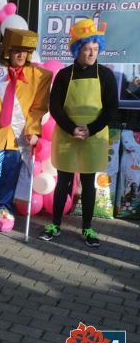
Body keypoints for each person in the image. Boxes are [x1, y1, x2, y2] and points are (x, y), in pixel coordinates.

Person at [39, 18, 118, 247]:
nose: (92, 53)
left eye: (95, 48)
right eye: (86, 48)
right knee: (63, 181)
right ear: (77, 49)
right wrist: (71, 127)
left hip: (93, 138)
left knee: (87, 182)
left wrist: (90, 129)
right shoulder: (64, 75)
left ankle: (87, 228)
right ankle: (55, 224)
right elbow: (55, 107)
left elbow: (111, 109)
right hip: (67, 135)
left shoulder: (105, 75)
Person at [0, 29, 52, 235]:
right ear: (7, 51)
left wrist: (33, 130)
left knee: (10, 175)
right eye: (16, 50)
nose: (21, 55)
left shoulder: (39, 76)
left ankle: (4, 208)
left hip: (18, 136)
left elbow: (38, 107)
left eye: (25, 51)